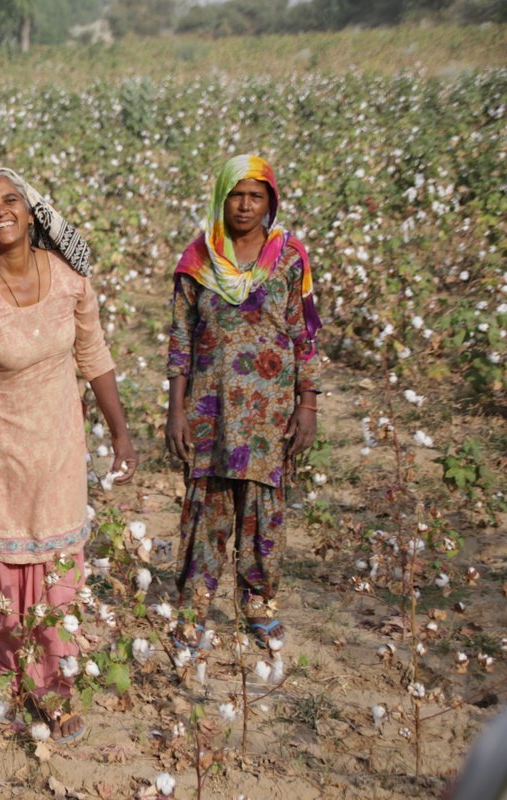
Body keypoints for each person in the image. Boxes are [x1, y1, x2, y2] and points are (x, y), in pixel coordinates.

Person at [0, 168, 138, 744]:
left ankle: (53, 692)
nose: (1, 210)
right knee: (2, 590)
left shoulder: (68, 279)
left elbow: (94, 355)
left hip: (59, 455)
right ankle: (7, 684)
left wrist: (121, 434)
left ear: (32, 213)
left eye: (11, 200)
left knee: (59, 584)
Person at [165, 154, 322, 651]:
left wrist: (308, 405)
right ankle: (197, 603)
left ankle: (258, 600)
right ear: (221, 198)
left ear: (270, 201)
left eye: (256, 196)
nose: (245, 205)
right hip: (210, 407)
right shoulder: (198, 260)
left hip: (268, 411)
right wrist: (175, 410)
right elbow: (180, 341)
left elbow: (305, 334)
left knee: (261, 505)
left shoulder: (290, 258)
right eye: (237, 194)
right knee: (207, 504)